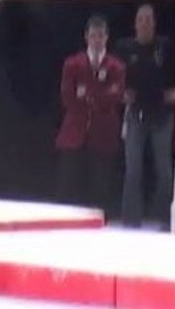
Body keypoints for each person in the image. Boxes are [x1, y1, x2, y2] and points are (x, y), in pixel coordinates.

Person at [55, 15, 126, 214]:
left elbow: (116, 95)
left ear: (107, 38)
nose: (97, 40)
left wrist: (87, 94)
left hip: (104, 132)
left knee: (101, 185)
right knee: (68, 183)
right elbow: (68, 96)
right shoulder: (72, 64)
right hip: (75, 132)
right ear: (86, 37)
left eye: (101, 36)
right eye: (93, 35)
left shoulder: (117, 67)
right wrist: (100, 94)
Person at [116, 3, 175, 230]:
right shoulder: (123, 48)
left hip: (162, 114)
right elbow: (115, 81)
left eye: (148, 19)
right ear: (135, 23)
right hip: (135, 115)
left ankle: (165, 219)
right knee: (133, 169)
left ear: (154, 22)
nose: (144, 23)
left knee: (164, 170)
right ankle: (131, 220)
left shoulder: (166, 46)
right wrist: (121, 93)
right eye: (140, 19)